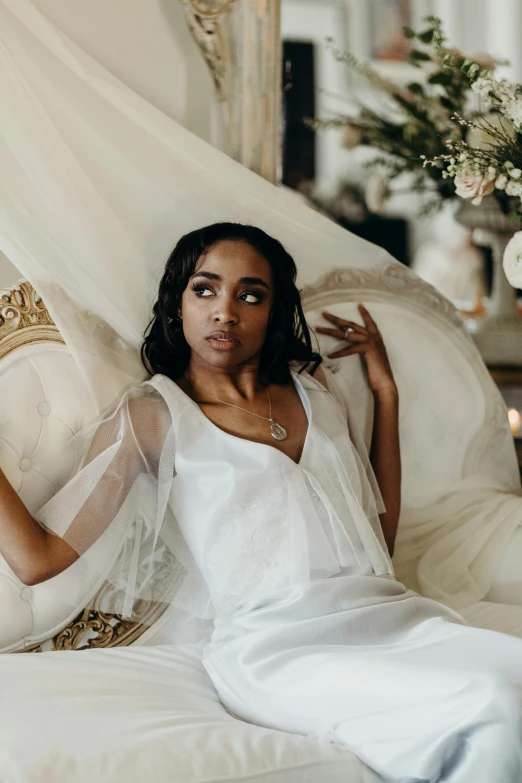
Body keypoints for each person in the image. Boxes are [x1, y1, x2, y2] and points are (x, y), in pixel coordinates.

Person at [1, 222, 521, 783]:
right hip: (278, 652)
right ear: (177, 306)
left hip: (395, 618)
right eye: (204, 290)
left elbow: (379, 541)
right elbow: (38, 560)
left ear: (272, 312)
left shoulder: (316, 391)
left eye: (250, 295)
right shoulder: (153, 416)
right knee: (494, 705)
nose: (225, 311)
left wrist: (386, 397)